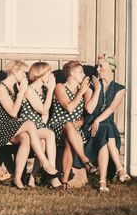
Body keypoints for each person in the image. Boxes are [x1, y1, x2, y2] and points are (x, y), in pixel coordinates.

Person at [0, 60, 61, 189]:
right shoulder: (1, 88)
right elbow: (14, 112)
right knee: (30, 125)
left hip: (10, 126)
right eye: (22, 72)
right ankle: (45, 164)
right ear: (14, 71)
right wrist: (21, 93)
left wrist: (20, 91)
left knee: (26, 138)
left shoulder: (14, 87)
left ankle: (17, 178)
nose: (25, 75)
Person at [48, 61, 101, 189]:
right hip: (57, 126)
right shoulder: (60, 87)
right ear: (72, 73)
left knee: (69, 138)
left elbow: (89, 111)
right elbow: (69, 107)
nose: (84, 74)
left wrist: (97, 90)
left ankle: (64, 182)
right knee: (68, 127)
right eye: (81, 72)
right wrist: (81, 92)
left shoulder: (84, 90)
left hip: (74, 129)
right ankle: (85, 160)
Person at [82, 55, 131, 192]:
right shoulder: (91, 86)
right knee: (106, 130)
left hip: (104, 125)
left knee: (106, 129)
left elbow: (111, 108)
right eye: (97, 66)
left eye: (101, 66)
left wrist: (98, 120)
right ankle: (120, 170)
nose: (97, 69)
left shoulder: (119, 89)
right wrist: (97, 90)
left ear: (111, 68)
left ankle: (102, 181)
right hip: (90, 126)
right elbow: (90, 109)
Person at [19, 62, 61, 188]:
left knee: (43, 142)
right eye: (48, 72)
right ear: (41, 74)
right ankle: (52, 174)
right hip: (27, 127)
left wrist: (48, 91)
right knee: (49, 134)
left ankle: (32, 177)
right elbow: (43, 110)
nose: (51, 75)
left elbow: (45, 115)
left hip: (38, 126)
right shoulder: (29, 90)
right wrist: (51, 90)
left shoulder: (42, 90)